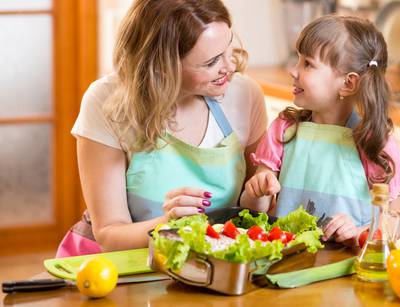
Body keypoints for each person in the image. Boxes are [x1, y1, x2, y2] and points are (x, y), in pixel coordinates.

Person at [56, 0, 267, 257]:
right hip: (125, 262)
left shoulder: (244, 94)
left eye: (229, 48)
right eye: (212, 62)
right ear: (162, 67)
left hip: (213, 262)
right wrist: (167, 225)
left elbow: (255, 205)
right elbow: (109, 233)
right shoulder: (106, 102)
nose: (230, 66)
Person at [240, 15, 400, 246]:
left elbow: (396, 221)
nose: (293, 70)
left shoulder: (373, 141)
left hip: (347, 268)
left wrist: (361, 232)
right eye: (298, 60)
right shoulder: (284, 130)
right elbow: (254, 210)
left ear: (348, 84)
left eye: (307, 64)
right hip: (285, 262)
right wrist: (257, 192)